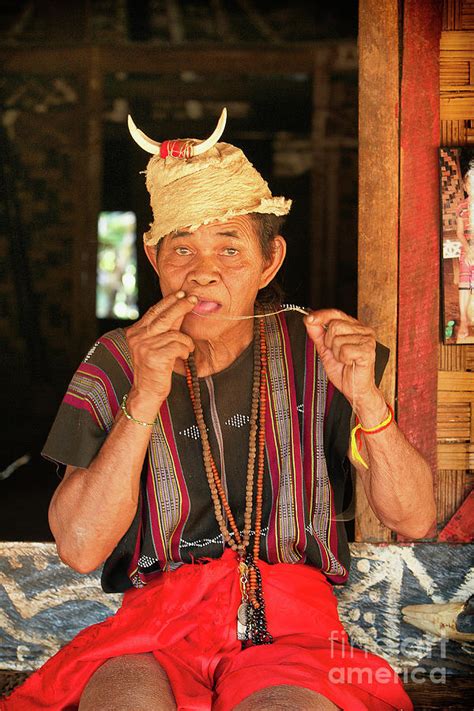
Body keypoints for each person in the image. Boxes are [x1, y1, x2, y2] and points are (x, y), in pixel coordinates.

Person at [2, 110, 436, 711]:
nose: (203, 271)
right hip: (154, 627)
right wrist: (146, 395)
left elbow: (414, 518)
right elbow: (79, 546)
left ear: (269, 262)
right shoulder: (117, 360)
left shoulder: (324, 353)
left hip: (294, 629)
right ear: (154, 259)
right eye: (182, 248)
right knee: (125, 699)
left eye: (229, 249)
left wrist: (366, 397)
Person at [456, 163, 474, 340]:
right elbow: (459, 233)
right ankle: (463, 320)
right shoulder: (462, 207)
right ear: (465, 186)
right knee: (464, 275)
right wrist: (468, 249)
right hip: (467, 249)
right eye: (469, 184)